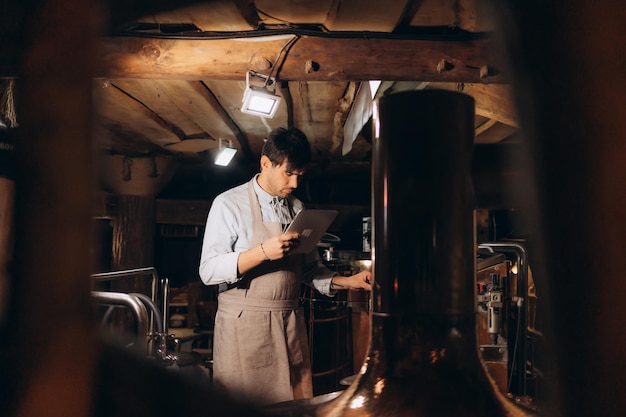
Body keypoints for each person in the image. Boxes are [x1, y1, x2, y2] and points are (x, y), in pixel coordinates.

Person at [198, 127, 372, 405]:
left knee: (294, 405)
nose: (294, 183)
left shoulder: (297, 206)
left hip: (289, 322)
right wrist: (263, 252)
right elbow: (208, 271)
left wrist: (347, 282)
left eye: (300, 175)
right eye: (288, 173)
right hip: (245, 327)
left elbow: (308, 270)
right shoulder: (229, 204)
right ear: (266, 163)